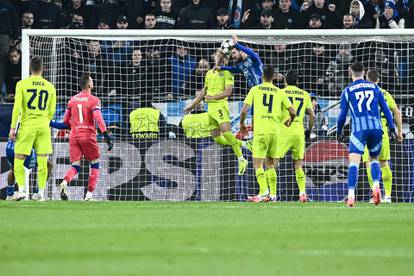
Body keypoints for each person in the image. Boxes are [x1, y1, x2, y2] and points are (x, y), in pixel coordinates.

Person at [336, 63, 397, 207]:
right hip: (376, 128)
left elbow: (342, 116)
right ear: (363, 73)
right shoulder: (375, 88)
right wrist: (392, 128)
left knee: (354, 162)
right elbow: (387, 110)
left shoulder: (348, 90)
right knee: (374, 158)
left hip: (359, 130)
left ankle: (351, 195)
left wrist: (339, 131)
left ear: (351, 72)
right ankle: (377, 186)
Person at [184, 49, 248, 175]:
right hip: (211, 109)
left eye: (224, 58)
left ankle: (241, 159)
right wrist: (192, 106)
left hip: (220, 107)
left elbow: (228, 92)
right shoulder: (208, 73)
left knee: (228, 134)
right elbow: (204, 91)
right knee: (218, 139)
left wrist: (212, 98)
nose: (221, 59)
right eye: (219, 56)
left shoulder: (227, 73)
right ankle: (245, 144)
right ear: (215, 57)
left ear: (226, 60)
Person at [239, 67, 296, 202]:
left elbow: (244, 110)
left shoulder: (255, 89)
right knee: (270, 164)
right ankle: (273, 195)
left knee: (258, 165)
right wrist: (290, 120)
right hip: (275, 132)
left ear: (262, 76)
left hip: (261, 131)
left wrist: (241, 124)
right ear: (274, 77)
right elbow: (293, 111)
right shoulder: (279, 92)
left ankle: (264, 192)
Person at [8, 56, 56, 201]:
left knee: (19, 158)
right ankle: (40, 193)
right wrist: (43, 121)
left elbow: (17, 108)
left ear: (30, 68)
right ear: (43, 69)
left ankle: (21, 190)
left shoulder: (22, 84)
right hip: (43, 126)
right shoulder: (50, 86)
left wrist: (12, 128)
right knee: (42, 161)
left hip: (27, 125)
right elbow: (51, 111)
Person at [59, 75, 113, 201]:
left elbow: (65, 122)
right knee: (95, 164)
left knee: (75, 166)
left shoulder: (72, 100)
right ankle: (89, 195)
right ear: (89, 85)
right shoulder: (94, 100)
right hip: (88, 135)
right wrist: (107, 137)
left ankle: (65, 182)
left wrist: (50, 123)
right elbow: (99, 119)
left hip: (74, 136)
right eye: (92, 81)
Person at [361, 69, 403, 203]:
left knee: (369, 162)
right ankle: (388, 196)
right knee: (383, 163)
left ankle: (375, 193)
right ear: (378, 80)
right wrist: (399, 131)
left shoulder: (363, 93)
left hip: (367, 131)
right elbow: (397, 112)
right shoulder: (385, 94)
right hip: (383, 132)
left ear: (366, 79)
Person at [275, 70, 315, 202]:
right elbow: (312, 115)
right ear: (297, 81)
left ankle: (271, 193)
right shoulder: (305, 94)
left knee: (272, 162)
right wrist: (308, 130)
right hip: (299, 132)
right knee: (298, 165)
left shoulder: (280, 93)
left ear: (285, 80)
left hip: (284, 131)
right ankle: (302, 193)